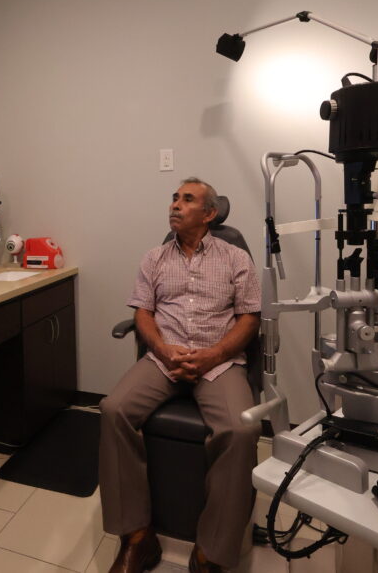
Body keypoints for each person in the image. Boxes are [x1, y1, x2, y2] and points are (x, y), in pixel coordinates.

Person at [99, 178, 261, 573]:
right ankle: (137, 537)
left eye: (187, 200)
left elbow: (249, 318)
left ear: (209, 213)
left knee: (241, 431)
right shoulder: (154, 258)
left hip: (217, 361)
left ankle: (211, 552)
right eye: (174, 198)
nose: (175, 205)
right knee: (112, 409)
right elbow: (143, 312)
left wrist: (214, 355)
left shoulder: (235, 258)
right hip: (163, 359)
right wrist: (162, 348)